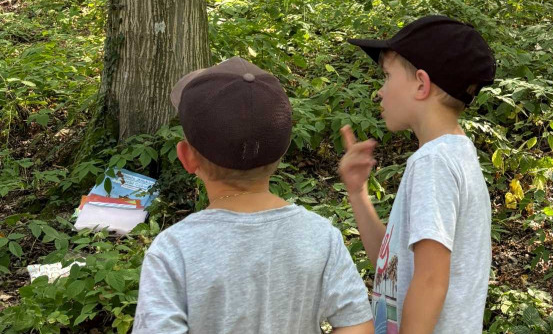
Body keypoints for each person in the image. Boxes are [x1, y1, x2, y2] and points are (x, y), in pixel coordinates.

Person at [133, 57, 374, 334]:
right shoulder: (320, 236)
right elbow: (358, 325)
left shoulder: (173, 250)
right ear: (282, 154)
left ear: (186, 158)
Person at [339, 15, 496, 334]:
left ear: (422, 84)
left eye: (386, 76)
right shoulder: (454, 154)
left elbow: (430, 281)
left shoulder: (433, 163)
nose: (380, 92)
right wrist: (358, 193)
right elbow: (392, 267)